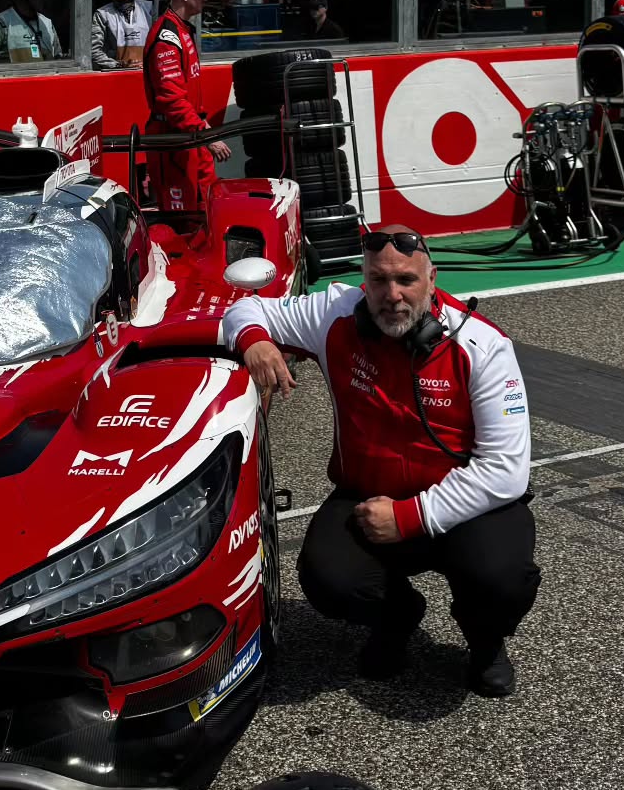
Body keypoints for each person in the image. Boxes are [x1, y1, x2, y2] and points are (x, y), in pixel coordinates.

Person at [223, 227, 539, 697]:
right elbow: (242, 308)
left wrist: (410, 517)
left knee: (503, 579)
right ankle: (396, 620)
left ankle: (485, 642)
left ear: (432, 279)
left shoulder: (484, 345)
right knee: (327, 579)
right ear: (363, 283)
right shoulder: (334, 312)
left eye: (407, 280)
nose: (392, 295)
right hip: (367, 493)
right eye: (378, 281)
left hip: (464, 501)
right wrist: (254, 340)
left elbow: (506, 471)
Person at [142, 0, 232, 212]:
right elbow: (171, 101)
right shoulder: (167, 38)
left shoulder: (182, 31)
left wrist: (203, 128)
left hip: (191, 136)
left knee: (205, 204)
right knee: (182, 216)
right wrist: (203, 133)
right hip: (174, 142)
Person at [91, 0, 153, 69]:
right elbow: (93, 52)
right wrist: (118, 65)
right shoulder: (101, 14)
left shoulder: (150, 9)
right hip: (116, 75)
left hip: (149, 73)